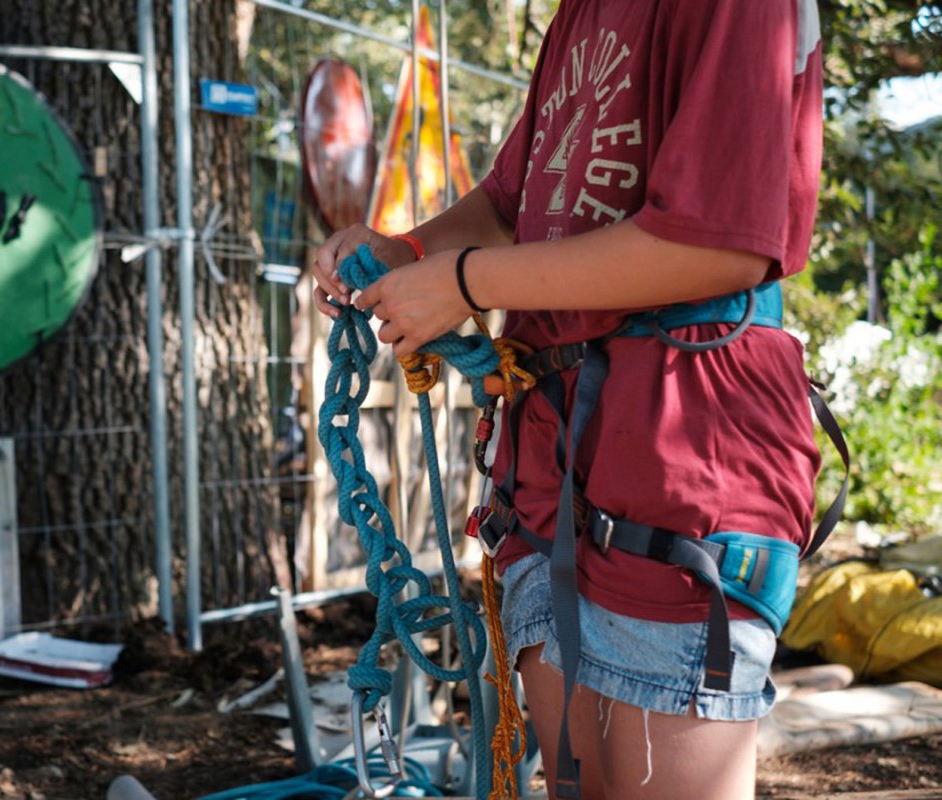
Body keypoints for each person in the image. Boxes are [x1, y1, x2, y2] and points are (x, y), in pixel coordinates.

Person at [312, 1, 827, 799]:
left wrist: (462, 282)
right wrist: (407, 252)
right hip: (552, 459)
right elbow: (510, 200)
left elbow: (721, 240)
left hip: (681, 447)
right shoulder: (579, 15)